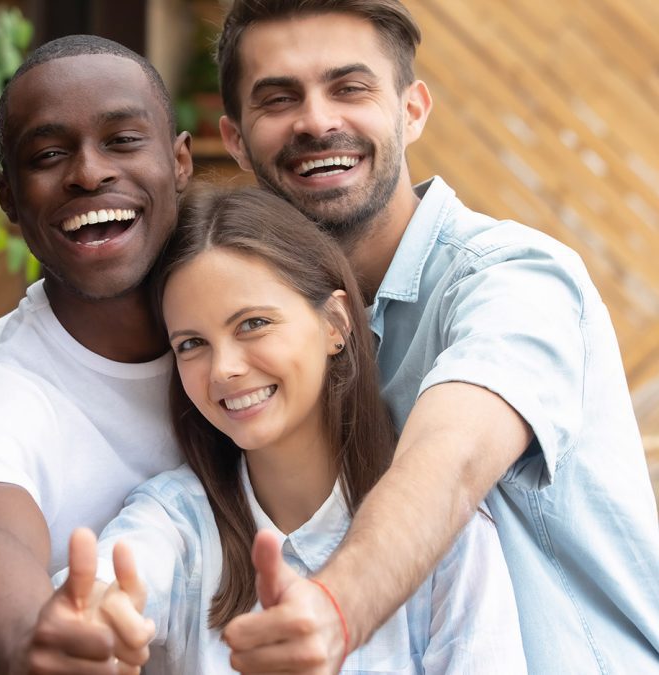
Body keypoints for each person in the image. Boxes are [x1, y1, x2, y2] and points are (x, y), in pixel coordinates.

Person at [213, 0, 659, 672]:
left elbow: (448, 463)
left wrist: (337, 608)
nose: (316, 119)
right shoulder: (260, 331)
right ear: (237, 139)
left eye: (350, 88)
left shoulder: (514, 279)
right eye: (279, 99)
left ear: (412, 110)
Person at [59, 185, 526, 673]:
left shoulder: (451, 535)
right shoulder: (175, 522)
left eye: (253, 323)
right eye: (192, 343)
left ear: (335, 322)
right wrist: (89, 619)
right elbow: (115, 580)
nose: (223, 370)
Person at [0, 35, 192, 673]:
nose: (89, 172)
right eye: (47, 154)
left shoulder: (257, 332)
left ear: (180, 162)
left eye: (123, 140)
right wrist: (35, 640)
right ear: (9, 199)